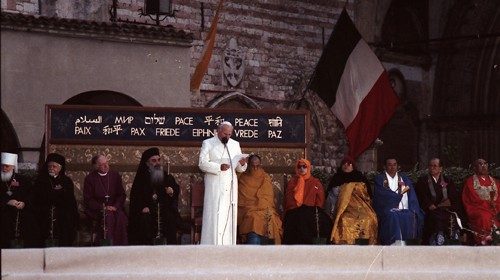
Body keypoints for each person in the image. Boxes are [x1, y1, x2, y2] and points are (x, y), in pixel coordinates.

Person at [198, 121, 247, 245]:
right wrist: (219, 167)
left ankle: (228, 246)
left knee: (229, 214)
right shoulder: (208, 143)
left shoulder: (235, 144)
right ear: (218, 131)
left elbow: (240, 168)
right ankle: (211, 245)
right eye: (225, 134)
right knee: (214, 215)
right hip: (214, 184)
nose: (228, 137)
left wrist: (242, 164)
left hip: (230, 184)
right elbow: (202, 164)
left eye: (230, 134)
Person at [128, 147, 181, 245]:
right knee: (145, 218)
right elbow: (136, 198)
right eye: (154, 160)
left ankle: (170, 248)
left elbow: (175, 190)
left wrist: (171, 191)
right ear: (147, 163)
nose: (157, 163)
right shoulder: (141, 178)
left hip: (163, 209)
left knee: (170, 217)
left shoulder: (167, 176)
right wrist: (142, 207)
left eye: (159, 160)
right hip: (148, 210)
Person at [373, 157, 424, 245]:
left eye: (394, 165)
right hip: (388, 209)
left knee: (411, 215)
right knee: (393, 216)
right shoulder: (380, 179)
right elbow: (381, 195)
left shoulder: (404, 178)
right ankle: (394, 243)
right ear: (384, 167)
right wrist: (396, 197)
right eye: (389, 165)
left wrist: (413, 208)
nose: (392, 167)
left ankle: (408, 243)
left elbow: (412, 195)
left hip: (404, 208)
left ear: (398, 166)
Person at [33, 153, 79, 247]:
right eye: (49, 166)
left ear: (60, 168)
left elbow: (70, 200)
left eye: (54, 166)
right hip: (44, 211)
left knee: (66, 221)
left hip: (62, 213)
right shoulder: (40, 180)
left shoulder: (66, 181)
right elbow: (37, 198)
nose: (51, 168)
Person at [328, 157, 377, 245]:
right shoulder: (337, 178)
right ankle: (346, 243)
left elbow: (367, 195)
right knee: (344, 219)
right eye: (344, 164)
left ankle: (365, 243)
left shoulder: (360, 177)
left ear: (353, 166)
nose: (346, 166)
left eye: (349, 164)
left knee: (369, 218)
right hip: (344, 208)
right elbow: (332, 197)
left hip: (361, 207)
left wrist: (352, 188)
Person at [283, 159, 332, 244]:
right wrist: (298, 208)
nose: (302, 169)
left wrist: (313, 209)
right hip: (295, 210)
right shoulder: (292, 182)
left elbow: (320, 200)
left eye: (304, 167)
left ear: (308, 168)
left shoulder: (315, 182)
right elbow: (289, 199)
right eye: (299, 167)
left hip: (311, 211)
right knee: (296, 219)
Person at [415, 158, 462, 245]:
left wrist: (450, 205)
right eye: (430, 166)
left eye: (435, 166)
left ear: (441, 168)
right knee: (435, 217)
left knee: (452, 216)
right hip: (431, 209)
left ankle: (452, 241)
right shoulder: (423, 181)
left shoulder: (448, 181)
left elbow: (453, 197)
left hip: (446, 209)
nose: (432, 168)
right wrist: (429, 204)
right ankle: (437, 240)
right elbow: (421, 196)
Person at [83, 155, 128, 245]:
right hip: (98, 209)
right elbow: (88, 199)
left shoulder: (115, 175)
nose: (106, 166)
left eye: (107, 163)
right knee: (108, 216)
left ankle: (121, 247)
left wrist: (115, 206)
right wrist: (102, 207)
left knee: (121, 217)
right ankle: (107, 245)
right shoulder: (90, 179)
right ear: (95, 166)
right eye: (102, 164)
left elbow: (121, 195)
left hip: (114, 208)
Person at [238, 154, 282, 244]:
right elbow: (242, 200)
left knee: (270, 218)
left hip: (265, 209)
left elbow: (268, 198)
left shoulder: (265, 177)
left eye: (257, 166)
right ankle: (253, 255)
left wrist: (262, 207)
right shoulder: (243, 178)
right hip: (249, 210)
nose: (255, 168)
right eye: (252, 166)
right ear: (248, 165)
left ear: (260, 165)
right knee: (253, 219)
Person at [1, 151, 39, 248]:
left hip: (22, 215)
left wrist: (24, 203)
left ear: (13, 166)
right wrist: (6, 202)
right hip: (4, 216)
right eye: (2, 166)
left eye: (7, 166)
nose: (4, 169)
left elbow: (31, 195)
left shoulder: (23, 180)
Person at [462, 158, 500, 245]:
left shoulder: (496, 182)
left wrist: (496, 205)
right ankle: (487, 242)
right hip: (478, 209)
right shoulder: (470, 182)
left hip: (496, 208)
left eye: (485, 164)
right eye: (480, 164)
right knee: (484, 217)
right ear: (475, 168)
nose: (483, 166)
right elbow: (471, 199)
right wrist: (488, 204)